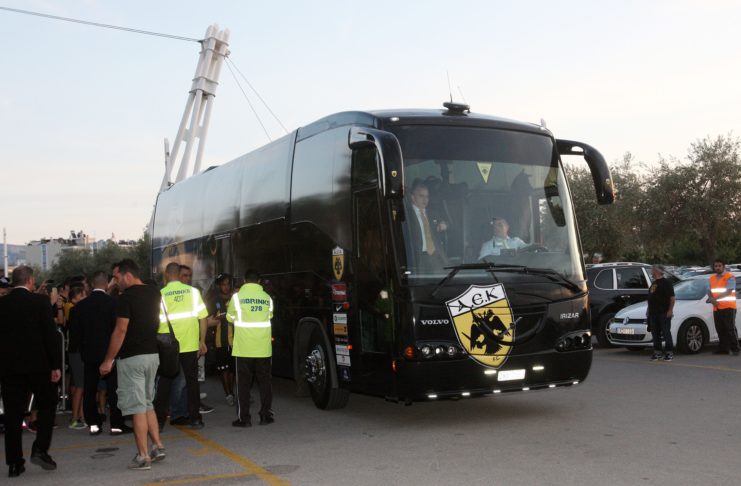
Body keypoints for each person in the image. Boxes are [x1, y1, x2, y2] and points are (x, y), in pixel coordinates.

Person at [99, 259, 165, 470]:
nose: (115, 281)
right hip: (152, 356)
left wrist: (108, 360)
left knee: (137, 408)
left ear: (128, 275)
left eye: (116, 277)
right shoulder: (154, 292)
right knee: (147, 403)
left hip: (132, 359)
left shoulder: (125, 298)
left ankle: (143, 456)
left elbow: (120, 330)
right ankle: (157, 446)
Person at [0, 266, 62, 478]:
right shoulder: (40, 302)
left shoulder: (2, 304)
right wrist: (55, 365)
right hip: (39, 365)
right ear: (29, 280)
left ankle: (14, 462)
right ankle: (40, 448)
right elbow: (50, 335)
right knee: (48, 404)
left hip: (9, 368)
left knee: (12, 414)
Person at [74, 270, 129, 435]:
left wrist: (82, 350)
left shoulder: (81, 306)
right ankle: (116, 425)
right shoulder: (113, 303)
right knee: (114, 389)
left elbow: (76, 333)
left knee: (90, 390)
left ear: (91, 284)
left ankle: (93, 424)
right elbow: (118, 329)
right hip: (110, 353)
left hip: (89, 354)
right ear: (106, 284)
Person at [154, 262, 208, 430]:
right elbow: (203, 318)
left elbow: (155, 322)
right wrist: (202, 341)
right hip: (190, 345)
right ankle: (195, 419)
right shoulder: (193, 292)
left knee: (165, 382)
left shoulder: (160, 294)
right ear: (178, 275)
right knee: (192, 382)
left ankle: (159, 422)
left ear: (166, 275)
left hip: (167, 346)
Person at [227, 270, 275, 427]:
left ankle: (244, 419)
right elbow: (270, 316)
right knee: (265, 383)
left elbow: (229, 317)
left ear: (244, 280)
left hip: (243, 348)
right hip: (263, 348)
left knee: (243, 385)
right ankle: (265, 415)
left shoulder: (237, 297)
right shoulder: (267, 298)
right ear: (259, 281)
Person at [179, 264, 214, 415]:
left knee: (190, 380)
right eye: (184, 275)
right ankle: (178, 410)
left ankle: (192, 412)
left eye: (189, 276)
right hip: (172, 346)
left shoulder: (194, 294)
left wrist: (202, 341)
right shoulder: (166, 294)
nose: (187, 279)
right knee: (178, 381)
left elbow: (202, 317)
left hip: (190, 346)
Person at [205, 273, 235, 405]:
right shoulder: (214, 301)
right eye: (223, 284)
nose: (226, 287)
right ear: (219, 286)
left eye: (228, 284)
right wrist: (219, 318)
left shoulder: (235, 299)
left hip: (236, 341)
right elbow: (206, 320)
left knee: (233, 369)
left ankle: (232, 392)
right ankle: (228, 394)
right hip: (220, 341)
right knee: (224, 369)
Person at [407, 179, 448, 272]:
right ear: (413, 197)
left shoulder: (432, 212)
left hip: (435, 255)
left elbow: (449, 223)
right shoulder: (407, 215)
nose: (425, 200)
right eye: (421, 196)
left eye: (427, 197)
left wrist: (444, 225)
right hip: (417, 258)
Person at [65, 285, 88, 429]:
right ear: (76, 297)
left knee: (79, 385)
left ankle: (81, 415)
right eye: (83, 295)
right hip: (78, 352)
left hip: (76, 351)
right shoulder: (76, 310)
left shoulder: (75, 310)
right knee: (80, 386)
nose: (85, 297)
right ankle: (75, 418)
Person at [707, 259, 739, 356]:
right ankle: (723, 349)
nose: (717, 267)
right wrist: (711, 299)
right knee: (720, 329)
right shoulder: (712, 278)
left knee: (729, 328)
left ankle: (735, 348)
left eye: (719, 266)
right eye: (716, 266)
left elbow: (728, 291)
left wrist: (714, 299)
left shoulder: (729, 277)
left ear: (723, 266)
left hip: (728, 307)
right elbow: (709, 290)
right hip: (716, 307)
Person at [647, 265, 676, 361]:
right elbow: (651, 297)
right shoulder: (654, 283)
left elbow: (672, 298)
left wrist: (670, 310)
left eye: (652, 270)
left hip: (663, 312)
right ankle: (657, 352)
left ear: (657, 271)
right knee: (655, 333)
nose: (651, 271)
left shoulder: (666, 283)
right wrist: (648, 311)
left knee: (666, 332)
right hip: (653, 313)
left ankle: (669, 353)